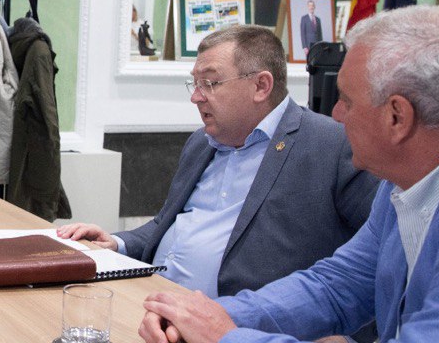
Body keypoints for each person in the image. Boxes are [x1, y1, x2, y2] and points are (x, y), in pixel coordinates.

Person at [140, 6, 439, 343]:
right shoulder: (409, 178)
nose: (335, 114)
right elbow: (336, 286)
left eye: (347, 100)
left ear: (397, 116)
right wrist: (211, 319)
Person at [58, 25, 377, 298]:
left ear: (261, 86)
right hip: (150, 303)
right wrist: (116, 242)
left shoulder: (331, 145)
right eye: (195, 83)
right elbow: (167, 224)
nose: (196, 96)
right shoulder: (201, 142)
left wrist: (347, 340)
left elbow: (382, 258)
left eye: (209, 83)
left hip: (243, 335)